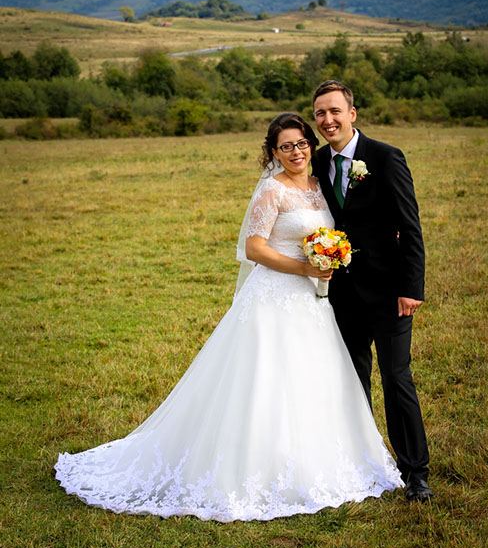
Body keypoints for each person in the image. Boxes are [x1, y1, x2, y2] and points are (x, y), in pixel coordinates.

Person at [54, 113, 403, 523]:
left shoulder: (318, 186)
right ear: (274, 153)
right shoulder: (272, 190)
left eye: (301, 143)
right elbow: (254, 249)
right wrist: (304, 268)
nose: (296, 151)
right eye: (286, 146)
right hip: (274, 296)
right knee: (264, 379)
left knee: (311, 375)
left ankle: (317, 459)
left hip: (312, 300)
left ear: (311, 145)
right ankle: (254, 466)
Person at [311, 80, 433, 502]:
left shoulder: (384, 157)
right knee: (352, 378)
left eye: (335, 111)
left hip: (389, 291)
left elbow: (410, 227)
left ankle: (415, 471)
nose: (328, 120)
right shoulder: (316, 162)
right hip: (342, 293)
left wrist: (411, 288)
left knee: (396, 377)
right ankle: (361, 463)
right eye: (320, 113)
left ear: (352, 113)